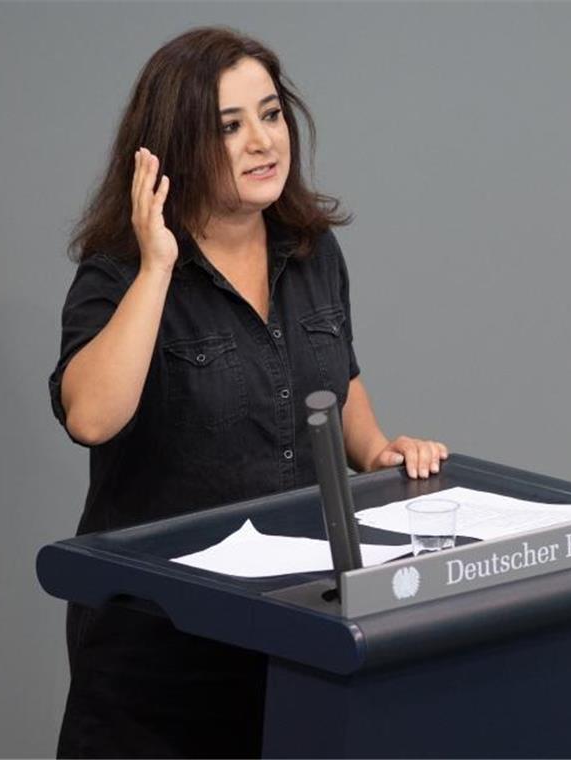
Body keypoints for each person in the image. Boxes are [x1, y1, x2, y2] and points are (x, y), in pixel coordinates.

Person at [48, 26, 449, 758]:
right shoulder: (120, 275)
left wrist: (379, 451)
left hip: (295, 631)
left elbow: (335, 380)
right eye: (229, 126)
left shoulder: (311, 249)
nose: (263, 141)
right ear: (174, 147)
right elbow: (92, 416)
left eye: (270, 114)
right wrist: (158, 267)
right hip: (162, 659)